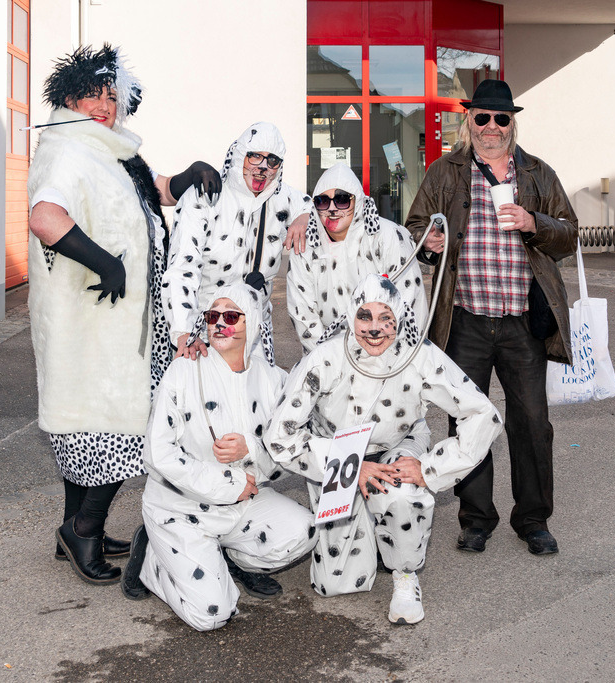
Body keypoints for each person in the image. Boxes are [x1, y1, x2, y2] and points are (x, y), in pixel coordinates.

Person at [27, 44, 222, 585]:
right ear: (69, 97)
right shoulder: (69, 149)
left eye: (113, 96)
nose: (105, 105)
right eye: (94, 94)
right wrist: (103, 262)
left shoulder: (109, 152)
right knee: (119, 432)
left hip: (117, 327)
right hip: (92, 327)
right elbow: (46, 216)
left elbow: (151, 192)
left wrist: (185, 177)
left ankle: (73, 526)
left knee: (82, 433)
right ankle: (84, 530)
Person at [264, 275, 503, 625]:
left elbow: (484, 413)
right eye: (364, 316)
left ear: (400, 319)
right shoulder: (325, 358)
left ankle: (405, 575)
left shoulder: (418, 355)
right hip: (340, 452)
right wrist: (347, 466)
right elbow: (278, 436)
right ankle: (372, 529)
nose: (374, 329)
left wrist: (431, 469)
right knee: (336, 584)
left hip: (398, 444)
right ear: (350, 316)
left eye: (385, 318)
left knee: (404, 495)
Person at [404, 79, 578, 556]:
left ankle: (534, 520)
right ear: (469, 121)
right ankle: (476, 519)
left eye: (501, 118)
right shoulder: (446, 171)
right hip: (465, 320)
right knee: (467, 423)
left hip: (522, 319)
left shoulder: (538, 173)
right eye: (483, 117)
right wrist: (429, 243)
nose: (492, 127)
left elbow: (569, 234)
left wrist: (533, 223)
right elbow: (416, 226)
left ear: (512, 124)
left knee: (532, 424)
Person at [120, 284, 316, 631]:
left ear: (251, 322)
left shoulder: (273, 380)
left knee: (304, 530)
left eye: (231, 315)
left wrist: (251, 450)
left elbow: (292, 452)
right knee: (212, 614)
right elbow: (156, 454)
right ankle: (152, 562)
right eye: (213, 316)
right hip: (180, 509)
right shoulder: (184, 371)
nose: (220, 323)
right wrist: (228, 483)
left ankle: (233, 558)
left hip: (244, 505)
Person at [164, 122, 312, 364]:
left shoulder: (284, 198)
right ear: (240, 155)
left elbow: (320, 207)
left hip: (255, 334)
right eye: (255, 156)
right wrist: (183, 331)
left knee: (257, 398)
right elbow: (182, 266)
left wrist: (305, 216)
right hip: (202, 330)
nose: (264, 167)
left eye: (272, 160)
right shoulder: (205, 196)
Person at [286, 162, 428, 354]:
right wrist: (331, 362)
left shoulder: (389, 237)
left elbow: (411, 304)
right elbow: (303, 315)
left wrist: (388, 361)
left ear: (358, 201)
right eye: (322, 201)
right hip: (330, 360)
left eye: (342, 199)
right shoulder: (305, 248)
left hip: (389, 357)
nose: (332, 209)